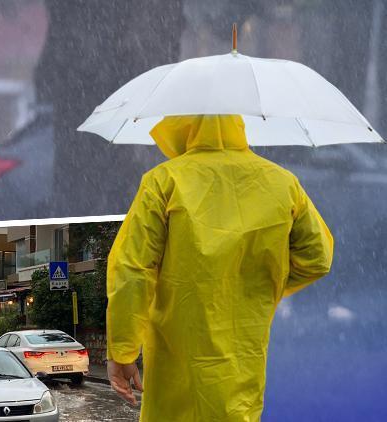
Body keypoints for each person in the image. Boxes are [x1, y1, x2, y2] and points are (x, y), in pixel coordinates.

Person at [106, 115, 333, 421]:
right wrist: (258, 288)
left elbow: (132, 270)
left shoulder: (164, 181)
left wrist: (122, 351)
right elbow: (317, 257)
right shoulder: (283, 183)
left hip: (175, 361)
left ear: (184, 123)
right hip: (244, 356)